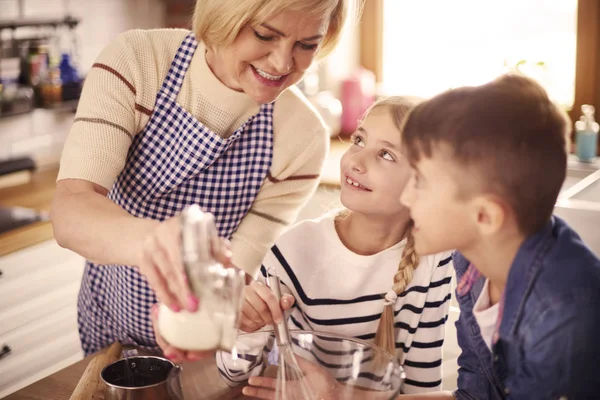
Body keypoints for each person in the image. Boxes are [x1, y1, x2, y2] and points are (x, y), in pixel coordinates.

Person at [50, 0, 354, 360]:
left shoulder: (301, 138)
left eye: (306, 45)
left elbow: (236, 270)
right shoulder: (137, 61)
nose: (282, 64)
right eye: (264, 35)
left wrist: (223, 312)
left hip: (200, 347)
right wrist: (152, 243)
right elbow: (71, 210)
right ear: (226, 13)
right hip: (110, 331)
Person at [218, 97, 454, 396]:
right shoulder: (292, 251)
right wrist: (245, 329)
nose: (355, 160)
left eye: (386, 154)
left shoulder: (435, 258)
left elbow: (421, 386)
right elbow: (234, 375)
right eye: (359, 140)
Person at [395, 74, 600, 398]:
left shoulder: (563, 317)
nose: (404, 197)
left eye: (419, 180)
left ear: (486, 216)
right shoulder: (474, 265)